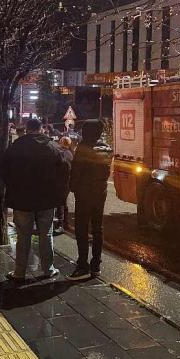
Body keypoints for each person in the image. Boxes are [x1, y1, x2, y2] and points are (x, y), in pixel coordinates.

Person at [0, 118, 70, 283]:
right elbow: (65, 171)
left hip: (22, 199)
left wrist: (14, 186)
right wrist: (58, 193)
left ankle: (19, 272)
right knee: (46, 234)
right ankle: (48, 269)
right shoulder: (52, 147)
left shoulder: (16, 146)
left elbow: (2, 169)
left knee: (23, 235)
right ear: (41, 129)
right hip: (46, 200)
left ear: (27, 129)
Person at [67, 119, 112, 281]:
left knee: (82, 229)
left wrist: (73, 188)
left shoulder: (83, 148)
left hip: (84, 194)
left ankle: (82, 265)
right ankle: (96, 265)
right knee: (97, 228)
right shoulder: (106, 148)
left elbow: (76, 172)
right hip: (100, 193)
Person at [54, 136, 74, 234]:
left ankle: (60, 224)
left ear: (61, 143)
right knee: (63, 202)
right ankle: (65, 223)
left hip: (61, 181)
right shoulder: (70, 153)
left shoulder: (61, 153)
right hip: (68, 181)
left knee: (60, 203)